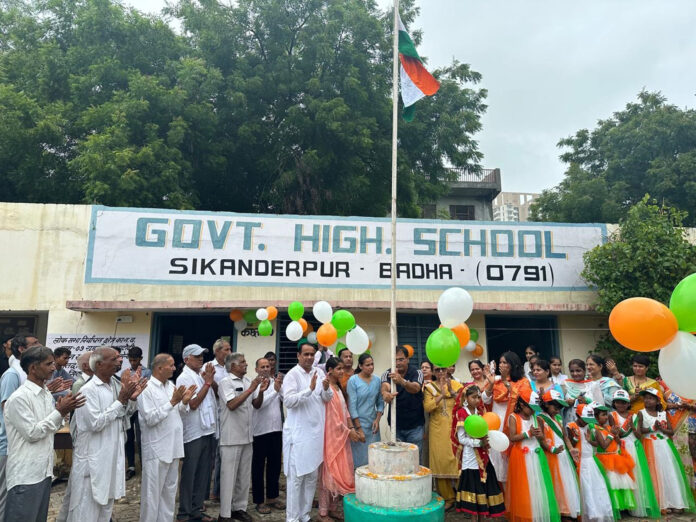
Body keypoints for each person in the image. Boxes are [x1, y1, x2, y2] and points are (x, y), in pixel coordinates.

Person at [3, 346, 85, 522]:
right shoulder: (19, 398)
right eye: (48, 364)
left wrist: (60, 412)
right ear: (33, 368)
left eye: (53, 363)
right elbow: (32, 433)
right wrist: (60, 412)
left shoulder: (46, 394)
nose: (53, 368)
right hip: (25, 475)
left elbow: (53, 428)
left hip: (44, 471)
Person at [65, 346, 146, 521]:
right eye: (115, 358)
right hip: (93, 460)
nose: (119, 361)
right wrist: (121, 400)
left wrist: (131, 398)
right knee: (86, 510)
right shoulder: (87, 390)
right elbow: (95, 423)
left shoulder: (114, 386)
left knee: (105, 509)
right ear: (100, 364)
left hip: (110, 458)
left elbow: (123, 414)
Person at [137, 354, 196, 522]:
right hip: (156, 448)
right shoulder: (146, 388)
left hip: (173, 446)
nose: (174, 368)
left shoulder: (171, 386)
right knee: (152, 496)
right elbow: (150, 419)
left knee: (169, 494)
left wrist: (183, 402)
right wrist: (172, 402)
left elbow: (180, 414)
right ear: (159, 368)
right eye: (170, 365)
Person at [281, 340, 333, 522]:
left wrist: (325, 389)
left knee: (311, 477)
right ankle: (292, 519)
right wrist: (309, 390)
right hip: (298, 436)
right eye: (306, 354)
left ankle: (304, 516)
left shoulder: (319, 372)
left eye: (312, 354)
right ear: (298, 356)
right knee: (296, 480)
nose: (310, 357)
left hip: (315, 436)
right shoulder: (292, 375)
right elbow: (288, 401)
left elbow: (327, 398)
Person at [636, 387, 695, 514]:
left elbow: (671, 431)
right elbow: (639, 430)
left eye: (651, 398)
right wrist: (652, 428)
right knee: (655, 473)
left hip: (664, 445)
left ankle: (675, 501)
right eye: (646, 398)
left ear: (658, 401)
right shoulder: (641, 413)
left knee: (669, 472)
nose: (647, 400)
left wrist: (662, 429)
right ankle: (661, 503)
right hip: (650, 445)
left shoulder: (663, 414)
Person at [176, 344, 217, 522]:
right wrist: (207, 383)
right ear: (187, 359)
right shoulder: (184, 378)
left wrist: (209, 380)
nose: (201, 358)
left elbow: (214, 396)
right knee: (190, 474)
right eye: (197, 356)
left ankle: (196, 511)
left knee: (203, 474)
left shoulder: (199, 375)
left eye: (202, 355)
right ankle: (184, 513)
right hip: (193, 433)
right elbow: (192, 404)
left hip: (207, 429)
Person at [505, 387, 559, 522]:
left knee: (538, 484)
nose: (534, 410)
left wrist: (540, 435)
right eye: (531, 407)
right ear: (522, 404)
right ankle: (526, 514)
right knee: (524, 486)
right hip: (521, 457)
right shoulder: (514, 417)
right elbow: (512, 437)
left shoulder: (535, 417)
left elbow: (541, 437)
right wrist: (527, 434)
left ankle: (538, 511)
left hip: (536, 455)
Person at [451, 385, 505, 520]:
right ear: (466, 398)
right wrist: (477, 443)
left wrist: (485, 442)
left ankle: (482, 517)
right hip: (470, 455)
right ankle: (475, 518)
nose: (477, 400)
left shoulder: (480, 412)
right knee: (474, 487)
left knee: (484, 485)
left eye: (478, 397)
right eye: (473, 397)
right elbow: (461, 438)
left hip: (484, 454)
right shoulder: (462, 413)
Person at [218, 353, 258, 522]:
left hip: (247, 436)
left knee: (243, 476)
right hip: (231, 437)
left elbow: (256, 404)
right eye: (242, 362)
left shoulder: (248, 381)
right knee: (229, 477)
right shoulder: (225, 382)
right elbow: (232, 405)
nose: (246, 364)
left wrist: (260, 391)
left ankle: (239, 508)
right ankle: (225, 513)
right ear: (233, 366)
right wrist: (251, 390)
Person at [609, 389, 660, 519]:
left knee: (637, 476)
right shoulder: (612, 415)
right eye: (618, 402)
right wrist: (619, 431)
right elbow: (615, 434)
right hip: (621, 448)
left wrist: (632, 426)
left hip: (634, 447)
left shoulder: (635, 415)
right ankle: (625, 505)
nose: (620, 405)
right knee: (623, 478)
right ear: (614, 403)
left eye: (623, 403)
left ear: (628, 404)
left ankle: (638, 506)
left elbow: (638, 434)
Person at [318, 357, 357, 522]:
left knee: (339, 472)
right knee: (329, 474)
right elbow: (333, 417)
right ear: (330, 370)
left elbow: (345, 412)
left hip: (342, 437)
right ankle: (323, 512)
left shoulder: (339, 388)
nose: (342, 371)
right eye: (339, 369)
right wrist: (348, 431)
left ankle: (333, 509)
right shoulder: (327, 388)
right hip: (331, 437)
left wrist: (352, 428)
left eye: (342, 368)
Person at [568, 402, 616, 522]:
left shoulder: (592, 426)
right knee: (584, 488)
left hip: (591, 462)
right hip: (579, 462)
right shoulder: (571, 426)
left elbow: (603, 445)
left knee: (596, 488)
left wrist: (611, 435)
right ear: (578, 416)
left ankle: (597, 514)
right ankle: (587, 514)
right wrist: (574, 438)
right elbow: (570, 445)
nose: (586, 422)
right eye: (584, 419)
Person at [423, 364, 463, 509]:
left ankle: (463, 498)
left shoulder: (457, 385)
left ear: (448, 370)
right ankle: (448, 498)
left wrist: (451, 391)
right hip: (437, 429)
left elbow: (464, 402)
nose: (440, 372)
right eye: (437, 370)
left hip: (455, 428)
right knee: (440, 461)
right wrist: (440, 394)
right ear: (433, 372)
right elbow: (428, 407)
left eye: (443, 369)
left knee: (457, 461)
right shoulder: (429, 388)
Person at [538, 389, 581, 520]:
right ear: (546, 404)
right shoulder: (540, 418)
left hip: (562, 454)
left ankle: (566, 509)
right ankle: (557, 509)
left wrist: (571, 449)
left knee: (565, 480)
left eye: (560, 407)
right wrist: (551, 449)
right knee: (554, 481)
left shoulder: (557, 417)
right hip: (550, 454)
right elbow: (541, 439)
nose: (558, 409)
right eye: (555, 406)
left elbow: (564, 436)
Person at [251, 357, 285, 515]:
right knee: (258, 467)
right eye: (262, 366)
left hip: (276, 430)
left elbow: (285, 399)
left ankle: (272, 497)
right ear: (256, 369)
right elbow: (258, 405)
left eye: (268, 366)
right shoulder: (254, 384)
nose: (266, 368)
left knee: (275, 465)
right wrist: (274, 392)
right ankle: (259, 500)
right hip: (260, 431)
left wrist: (280, 388)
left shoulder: (275, 381)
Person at [380, 345, 425, 462]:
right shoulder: (387, 373)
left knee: (415, 460)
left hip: (415, 426)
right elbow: (385, 386)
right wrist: (385, 394)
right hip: (396, 426)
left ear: (407, 359)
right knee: (399, 460)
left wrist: (402, 381)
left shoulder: (417, 372)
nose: (398, 363)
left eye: (401, 359)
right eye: (394, 360)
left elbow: (416, 388)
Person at [490, 351, 528, 484]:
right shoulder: (495, 381)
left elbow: (524, 401)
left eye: (505, 362)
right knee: (495, 457)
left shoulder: (522, 382)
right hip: (495, 421)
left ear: (513, 365)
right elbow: (485, 399)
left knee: (510, 457)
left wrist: (509, 386)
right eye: (500, 362)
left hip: (512, 421)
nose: (501, 365)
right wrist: (490, 383)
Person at [594, 401, 637, 514]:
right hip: (605, 459)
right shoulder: (595, 429)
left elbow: (618, 441)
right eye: (603, 415)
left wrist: (617, 434)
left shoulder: (609, 427)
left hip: (616, 458)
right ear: (595, 417)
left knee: (622, 482)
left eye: (606, 414)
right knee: (612, 483)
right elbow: (603, 446)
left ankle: (624, 507)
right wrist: (611, 434)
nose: (606, 417)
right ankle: (614, 508)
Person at [347, 352, 384, 468]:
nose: (371, 367)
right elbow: (352, 406)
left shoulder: (377, 380)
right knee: (359, 461)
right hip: (359, 425)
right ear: (360, 366)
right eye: (367, 365)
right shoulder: (353, 381)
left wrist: (377, 420)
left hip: (373, 426)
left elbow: (380, 402)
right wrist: (359, 429)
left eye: (372, 364)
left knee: (375, 459)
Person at [210, 338, 232, 502]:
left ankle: (221, 490)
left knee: (224, 455)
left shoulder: (231, 368)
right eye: (226, 349)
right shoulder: (208, 368)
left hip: (229, 416)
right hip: (214, 415)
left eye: (230, 349)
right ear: (217, 351)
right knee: (214, 456)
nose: (229, 352)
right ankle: (212, 492)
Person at [563, 359, 592, 424]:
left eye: (578, 371)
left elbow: (599, 404)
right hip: (569, 422)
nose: (575, 374)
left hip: (588, 422)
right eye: (572, 371)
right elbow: (558, 404)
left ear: (584, 371)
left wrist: (586, 401)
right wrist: (566, 403)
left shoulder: (591, 385)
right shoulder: (565, 384)